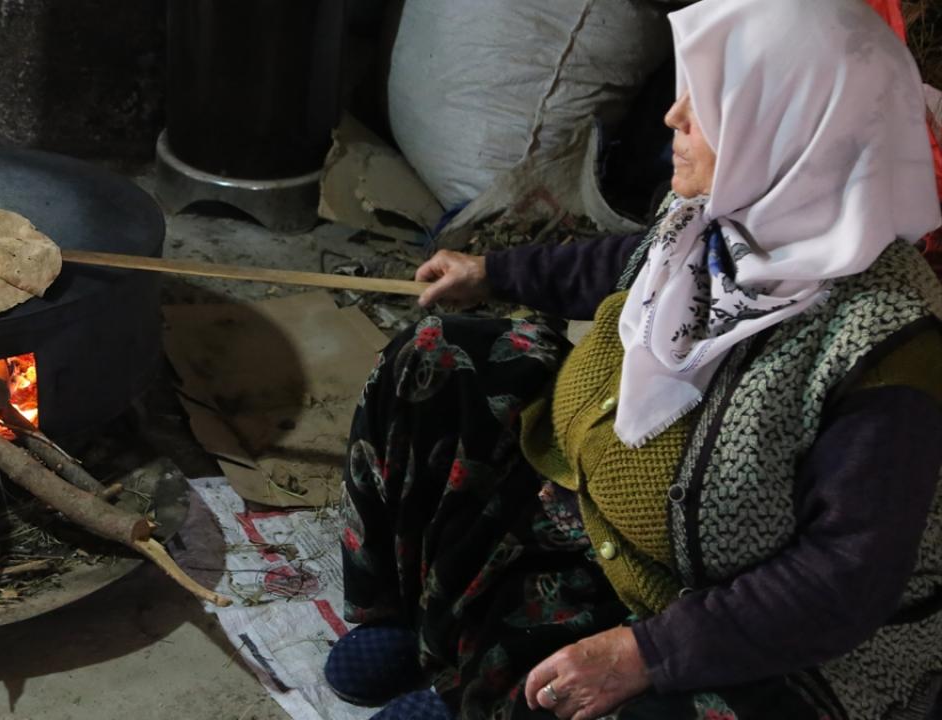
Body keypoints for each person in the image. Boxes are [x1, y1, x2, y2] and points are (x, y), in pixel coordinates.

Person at [323, 0, 942, 718]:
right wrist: (493, 272)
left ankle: (488, 687)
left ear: (791, 129)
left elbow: (843, 580)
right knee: (444, 357)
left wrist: (647, 654)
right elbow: (625, 261)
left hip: (748, 621)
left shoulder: (885, 346)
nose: (673, 117)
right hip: (601, 530)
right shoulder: (719, 217)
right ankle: (421, 624)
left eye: (705, 104)